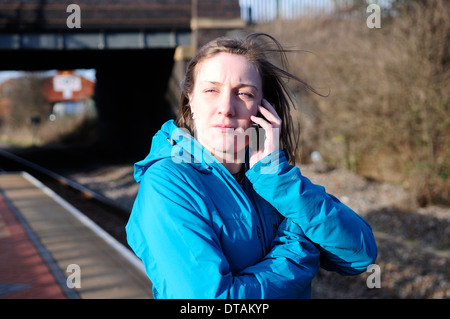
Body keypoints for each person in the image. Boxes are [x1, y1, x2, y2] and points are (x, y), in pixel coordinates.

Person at [126, 33, 377, 299]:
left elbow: (359, 254)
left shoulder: (270, 176)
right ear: (190, 98)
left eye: (244, 93)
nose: (226, 107)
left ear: (262, 107)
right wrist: (298, 249)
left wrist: (279, 181)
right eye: (211, 90)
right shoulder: (168, 182)